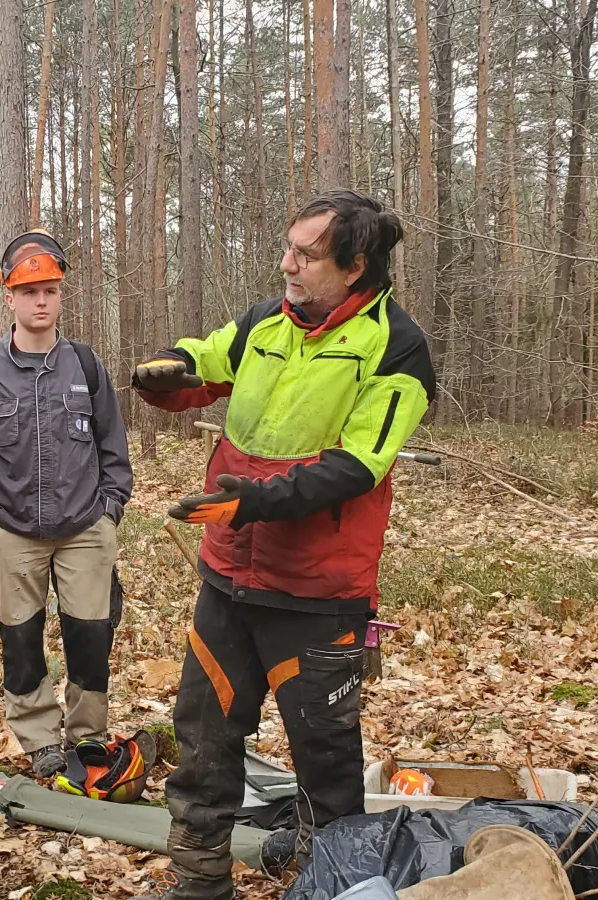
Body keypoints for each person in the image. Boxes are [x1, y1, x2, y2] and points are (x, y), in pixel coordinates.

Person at [129, 189, 435, 900]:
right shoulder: (270, 319)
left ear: (355, 266)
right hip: (228, 577)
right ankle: (199, 882)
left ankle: (332, 880)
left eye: (305, 254)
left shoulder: (398, 347)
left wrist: (252, 500)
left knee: (325, 761)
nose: (286, 264)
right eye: (288, 247)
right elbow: (210, 360)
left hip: (319, 593)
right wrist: (171, 369)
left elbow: (361, 462)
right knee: (203, 741)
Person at [0, 230, 133, 778]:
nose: (41, 300)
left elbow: (112, 446)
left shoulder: (86, 367)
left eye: (50, 289)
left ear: (61, 294)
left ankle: (88, 734)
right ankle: (39, 738)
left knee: (90, 635)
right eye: (29, 291)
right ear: (9, 297)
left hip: (84, 530)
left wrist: (110, 511)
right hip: (13, 531)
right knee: (21, 640)